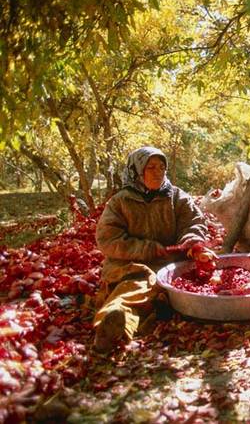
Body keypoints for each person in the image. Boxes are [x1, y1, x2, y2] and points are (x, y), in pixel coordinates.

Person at [93, 146, 208, 353]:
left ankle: (130, 317)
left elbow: (194, 223)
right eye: (151, 167)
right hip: (130, 265)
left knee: (162, 293)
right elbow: (108, 240)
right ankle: (110, 325)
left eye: (162, 167)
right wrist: (148, 249)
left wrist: (192, 242)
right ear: (137, 171)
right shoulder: (121, 202)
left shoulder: (176, 197)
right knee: (134, 289)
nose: (158, 172)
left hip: (169, 264)